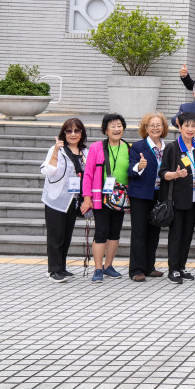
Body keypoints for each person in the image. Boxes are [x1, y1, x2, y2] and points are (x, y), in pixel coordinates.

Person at [158, 111, 195, 284]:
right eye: (186, 125)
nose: (190, 129)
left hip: (194, 199)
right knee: (177, 234)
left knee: (188, 234)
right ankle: (173, 269)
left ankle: (182, 266)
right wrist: (175, 174)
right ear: (179, 126)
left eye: (193, 125)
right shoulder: (172, 148)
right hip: (177, 198)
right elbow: (162, 173)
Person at [80, 114, 129, 284]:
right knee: (101, 231)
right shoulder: (96, 148)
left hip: (120, 197)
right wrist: (87, 198)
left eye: (119, 125)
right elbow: (87, 174)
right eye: (113, 126)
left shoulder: (128, 148)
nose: (117, 129)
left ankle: (109, 265)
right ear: (106, 130)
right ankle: (98, 268)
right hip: (100, 197)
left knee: (115, 232)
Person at [41, 118, 88, 283]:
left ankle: (61, 267)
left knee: (66, 235)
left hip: (73, 200)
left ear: (82, 133)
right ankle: (53, 270)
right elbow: (47, 170)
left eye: (77, 131)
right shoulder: (57, 150)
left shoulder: (85, 152)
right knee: (56, 235)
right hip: (56, 199)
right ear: (64, 133)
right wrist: (54, 151)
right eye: (69, 131)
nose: (73, 134)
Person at [126, 113, 168, 282]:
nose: (155, 128)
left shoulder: (168, 148)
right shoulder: (138, 147)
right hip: (140, 195)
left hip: (159, 194)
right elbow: (130, 171)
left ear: (164, 128)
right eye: (152, 125)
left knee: (154, 231)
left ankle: (150, 267)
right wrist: (139, 166)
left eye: (159, 125)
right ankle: (136, 269)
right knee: (139, 232)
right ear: (145, 128)